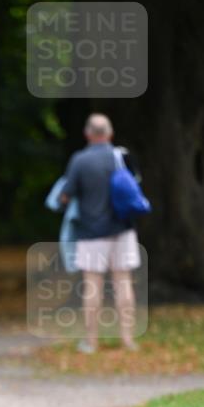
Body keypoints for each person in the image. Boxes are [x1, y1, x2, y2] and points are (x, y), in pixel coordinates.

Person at [60, 114, 141, 353]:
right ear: (110, 133)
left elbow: (65, 196)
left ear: (87, 134)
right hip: (123, 229)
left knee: (92, 286)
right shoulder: (122, 157)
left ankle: (91, 341)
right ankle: (127, 340)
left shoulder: (80, 160)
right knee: (123, 283)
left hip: (91, 232)